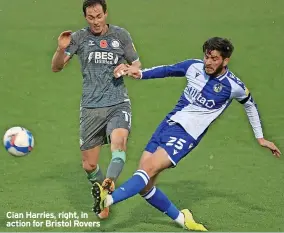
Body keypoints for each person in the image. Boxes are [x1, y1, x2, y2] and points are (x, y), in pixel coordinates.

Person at [91, 37, 281, 230]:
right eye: (206, 57)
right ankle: (183, 219)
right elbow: (167, 70)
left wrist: (260, 137)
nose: (208, 62)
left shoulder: (233, 86)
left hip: (187, 135)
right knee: (145, 185)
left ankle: (107, 201)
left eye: (214, 58)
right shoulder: (194, 66)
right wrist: (139, 73)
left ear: (225, 60)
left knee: (146, 172)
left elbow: (250, 104)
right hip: (167, 124)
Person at [51, 0, 141, 219]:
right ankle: (102, 194)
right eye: (91, 17)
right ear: (85, 17)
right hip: (91, 107)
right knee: (89, 164)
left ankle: (109, 183)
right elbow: (56, 67)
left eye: (99, 16)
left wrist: (128, 68)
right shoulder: (80, 38)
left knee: (119, 144)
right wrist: (61, 49)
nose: (96, 21)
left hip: (118, 102)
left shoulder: (121, 35)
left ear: (105, 14)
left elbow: (137, 64)